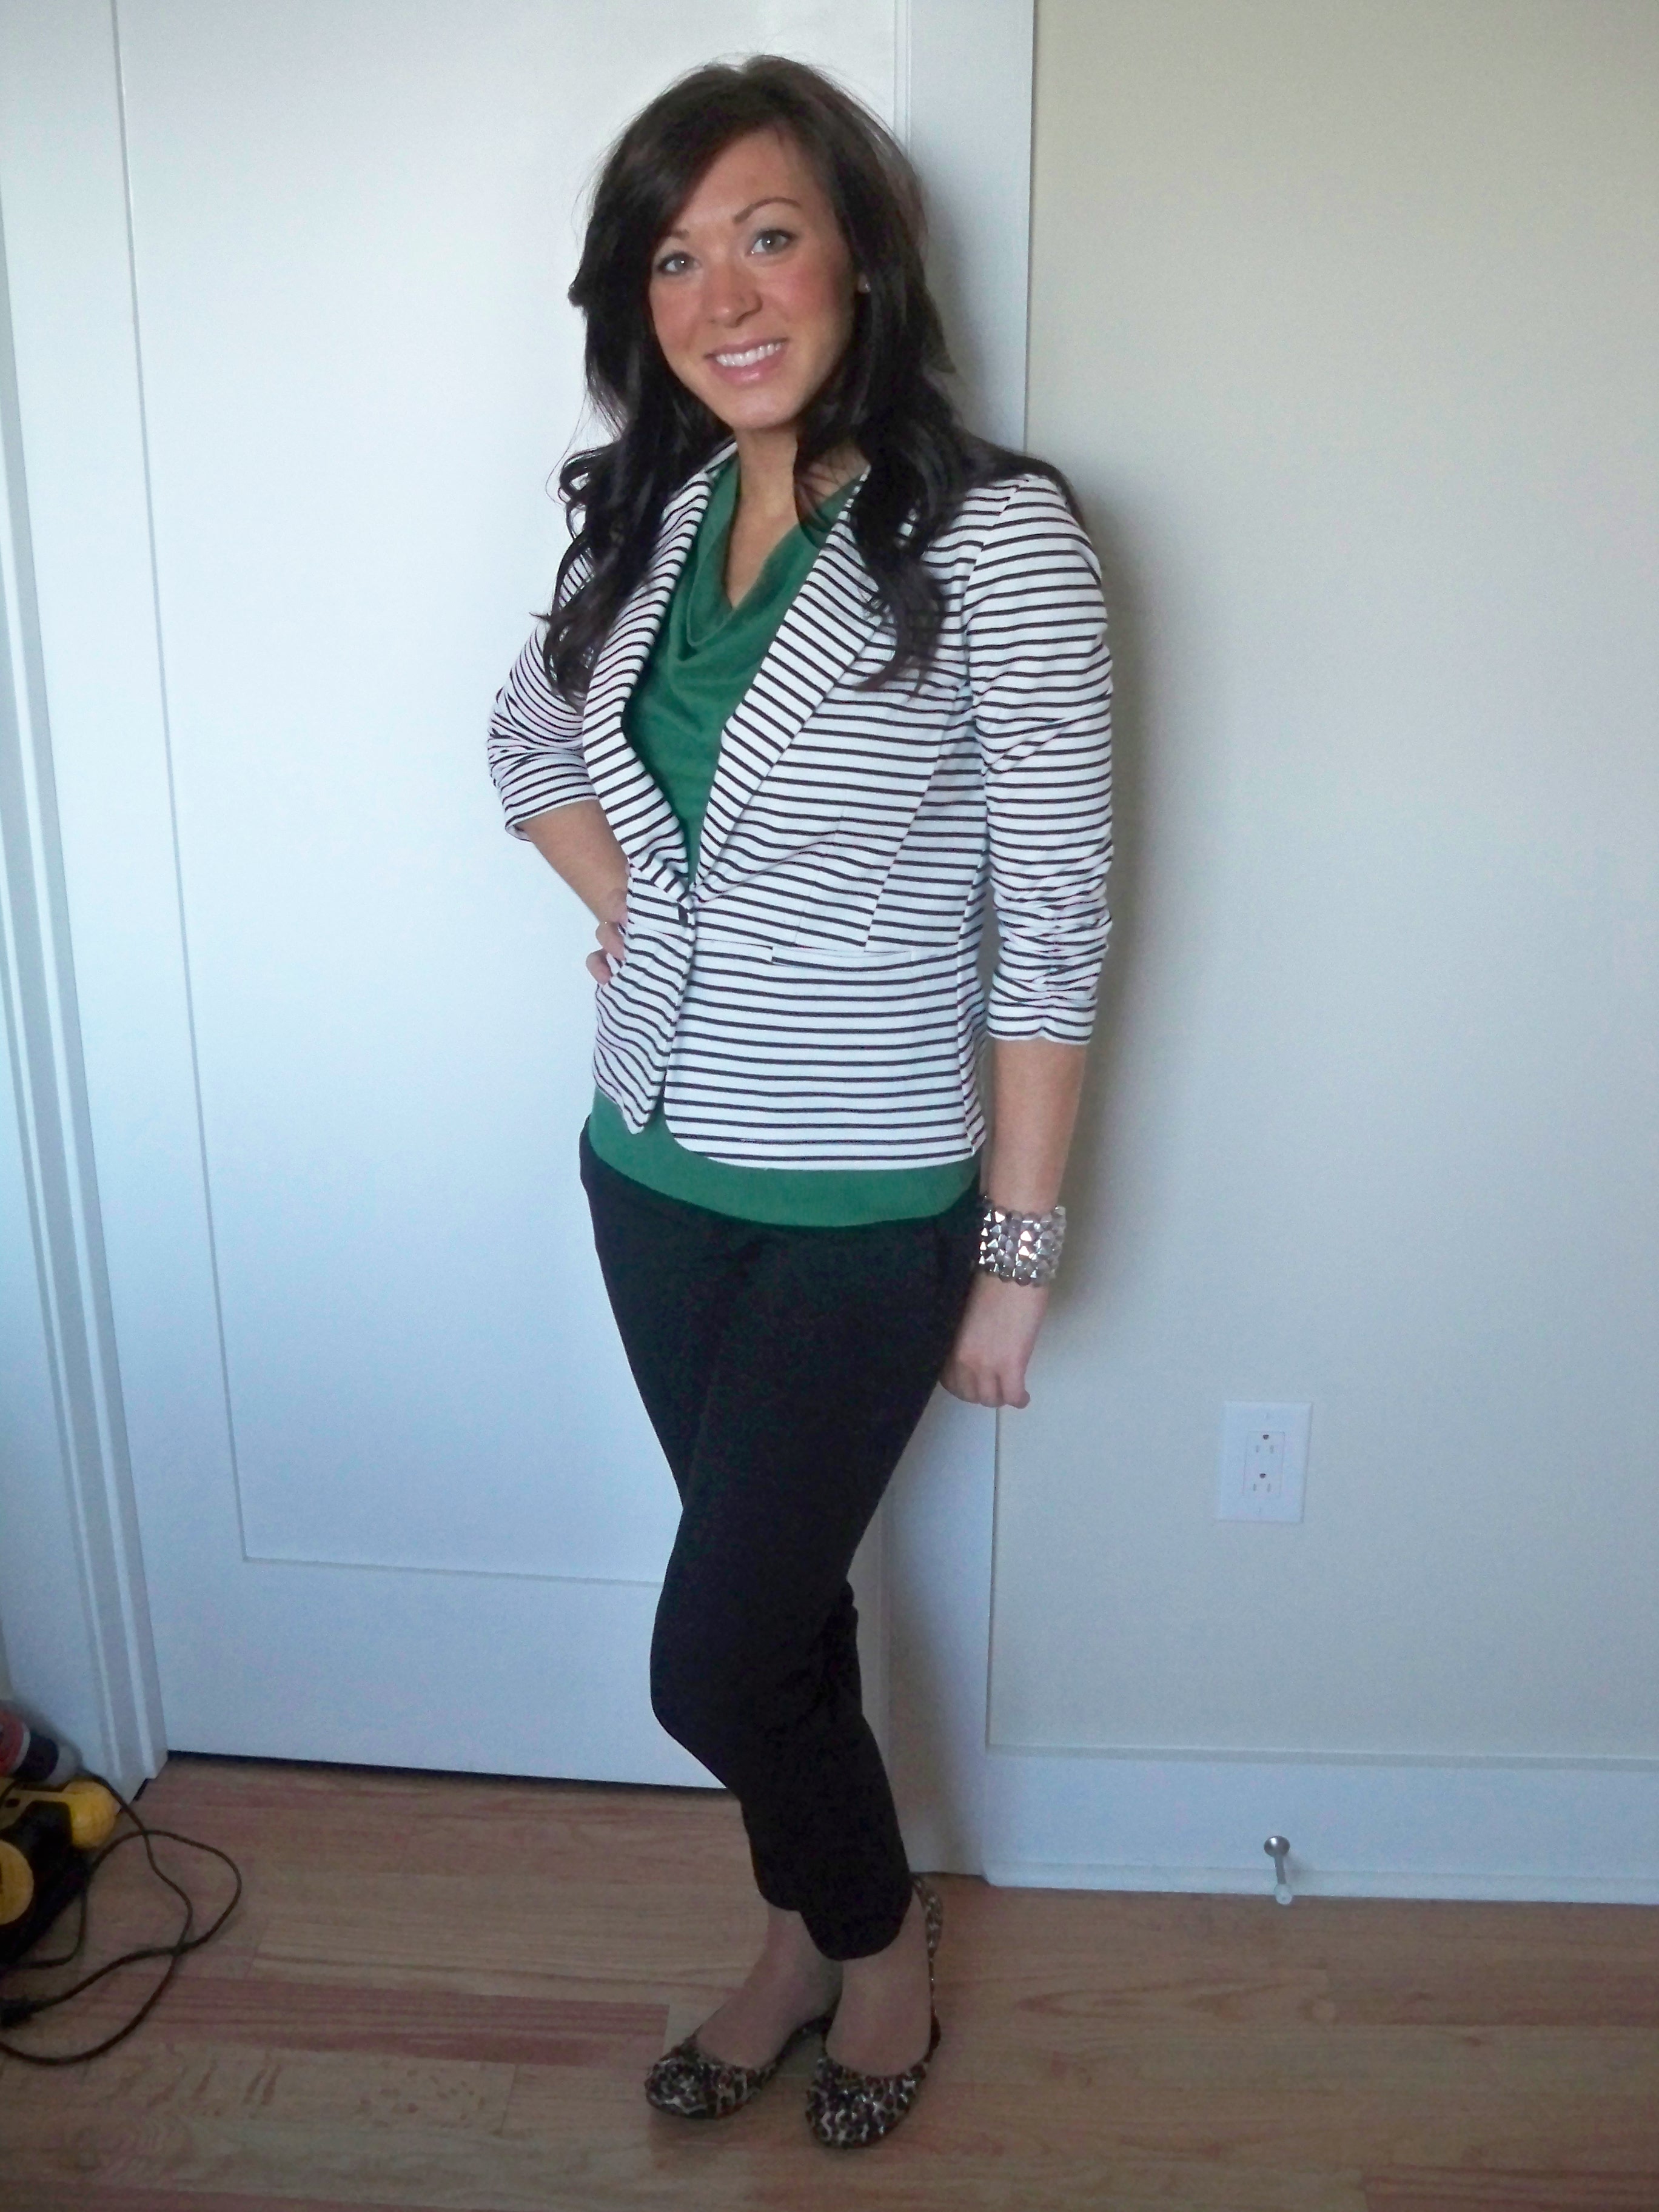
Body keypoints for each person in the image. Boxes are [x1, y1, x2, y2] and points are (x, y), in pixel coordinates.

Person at [487, 53, 1111, 2150]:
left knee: (710, 1660)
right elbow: (523, 740)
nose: (724, 295)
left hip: (863, 1209)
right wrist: (638, 909)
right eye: (675, 257)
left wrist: (1016, 1258)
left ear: (861, 256)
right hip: (647, 1171)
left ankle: (879, 1942)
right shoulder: (662, 518)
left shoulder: (998, 539)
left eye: (768, 235)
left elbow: (1054, 922)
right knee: (783, 1623)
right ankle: (798, 1937)